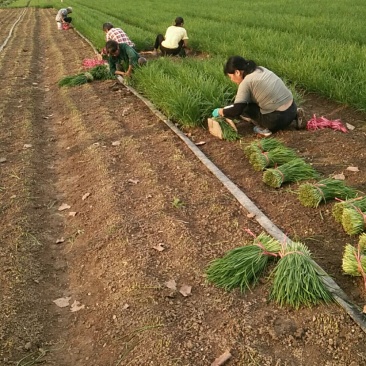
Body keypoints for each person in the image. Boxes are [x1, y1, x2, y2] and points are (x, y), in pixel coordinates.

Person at [212, 56, 305, 137]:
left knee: (246, 108)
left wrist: (220, 111)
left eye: (230, 76)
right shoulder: (260, 69)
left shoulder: (246, 82)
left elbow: (237, 110)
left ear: (237, 72)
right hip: (292, 108)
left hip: (277, 120)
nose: (231, 80)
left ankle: (265, 129)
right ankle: (296, 115)